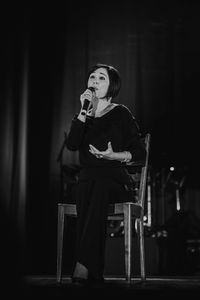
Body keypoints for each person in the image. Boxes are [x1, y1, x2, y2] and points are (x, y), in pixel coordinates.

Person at [65, 63, 146, 286]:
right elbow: (72, 145)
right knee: (83, 184)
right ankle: (93, 270)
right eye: (92, 77)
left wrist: (114, 156)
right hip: (89, 181)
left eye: (101, 78)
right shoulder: (84, 116)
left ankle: (83, 265)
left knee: (97, 184)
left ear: (111, 87)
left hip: (117, 182)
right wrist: (83, 113)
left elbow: (140, 153)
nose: (94, 81)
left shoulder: (121, 113)